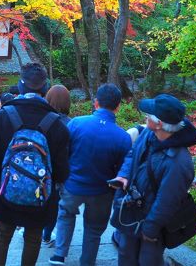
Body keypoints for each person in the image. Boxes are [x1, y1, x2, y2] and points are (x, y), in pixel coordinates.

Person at [0, 63, 70, 266]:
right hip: (40, 195)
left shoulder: (1, 117)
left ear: (20, 87)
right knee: (33, 237)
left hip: (5, 191)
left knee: (2, 235)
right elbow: (62, 170)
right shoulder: (57, 124)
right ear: (45, 89)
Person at [111, 94, 196, 266]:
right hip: (132, 212)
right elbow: (132, 154)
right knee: (125, 255)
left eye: (148, 115)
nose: (145, 116)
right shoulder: (149, 133)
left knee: (148, 261)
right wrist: (123, 174)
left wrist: (150, 229)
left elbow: (168, 201)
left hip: (152, 222)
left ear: (159, 123)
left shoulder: (179, 162)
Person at [49, 84, 131, 265]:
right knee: (94, 228)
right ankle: (87, 261)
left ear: (96, 103)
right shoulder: (122, 137)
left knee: (65, 214)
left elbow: (64, 153)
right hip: (102, 191)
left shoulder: (76, 123)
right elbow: (123, 167)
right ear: (118, 107)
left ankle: (59, 255)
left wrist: (61, 180)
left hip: (73, 185)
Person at [42, 84, 72, 248]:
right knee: (55, 206)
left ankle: (32, 230)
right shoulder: (70, 124)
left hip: (40, 171)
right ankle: (47, 235)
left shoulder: (42, 120)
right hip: (61, 173)